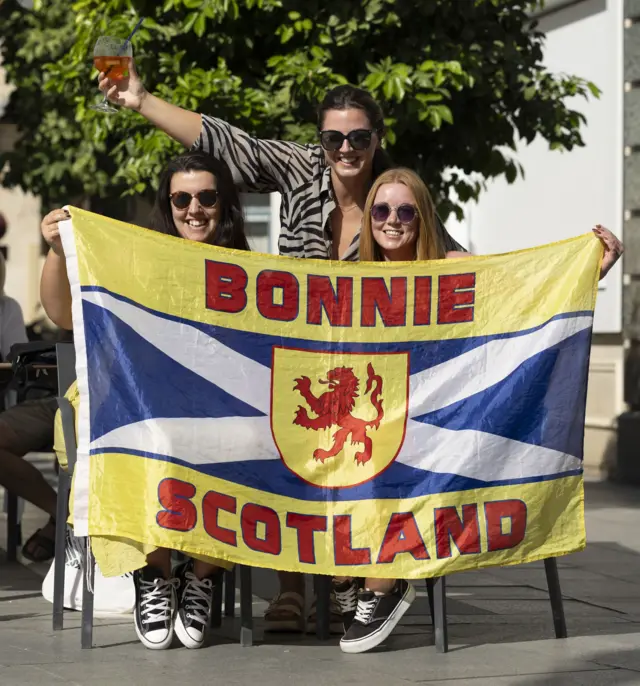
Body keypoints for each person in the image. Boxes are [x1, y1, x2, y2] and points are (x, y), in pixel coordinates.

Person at [98, 63, 465, 635]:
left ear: (377, 138)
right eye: (334, 137)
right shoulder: (299, 168)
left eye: (359, 137)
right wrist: (142, 100)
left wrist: (566, 269)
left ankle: (352, 578)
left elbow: (454, 264)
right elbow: (225, 144)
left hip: (368, 372)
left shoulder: (393, 199)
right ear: (319, 140)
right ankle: (293, 587)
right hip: (292, 364)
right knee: (271, 437)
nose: (346, 148)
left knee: (363, 449)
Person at [332, 167, 624, 655]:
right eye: (381, 211)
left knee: (394, 467)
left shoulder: (456, 267)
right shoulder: (348, 276)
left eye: (406, 211)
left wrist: (593, 267)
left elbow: (531, 298)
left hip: (446, 422)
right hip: (376, 418)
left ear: (423, 217)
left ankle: (382, 584)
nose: (392, 221)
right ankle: (363, 577)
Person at [40, 151, 250, 651]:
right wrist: (55, 250)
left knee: (246, 440)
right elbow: (64, 314)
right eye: (181, 198)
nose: (194, 209)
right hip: (140, 407)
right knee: (142, 438)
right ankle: (154, 577)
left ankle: (200, 576)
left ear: (224, 204)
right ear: (168, 203)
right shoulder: (135, 257)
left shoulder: (248, 269)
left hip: (213, 413)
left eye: (206, 197)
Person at [0, 250, 61, 562]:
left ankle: (62, 519)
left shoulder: (6, 306)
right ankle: (63, 518)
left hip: (65, 399)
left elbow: (13, 360)